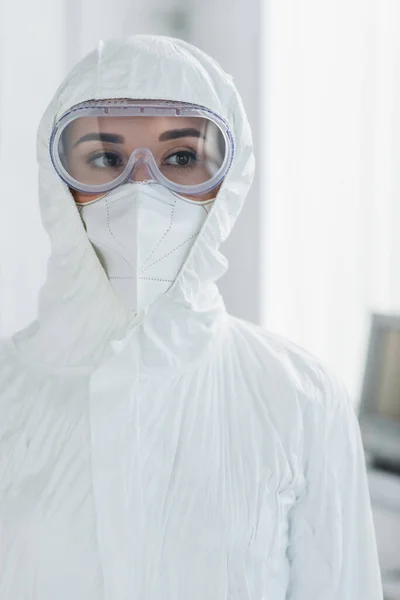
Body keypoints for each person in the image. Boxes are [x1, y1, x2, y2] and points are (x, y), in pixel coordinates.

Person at [0, 34, 383, 600]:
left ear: (226, 184)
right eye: (106, 158)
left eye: (180, 158)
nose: (140, 191)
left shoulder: (299, 397)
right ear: (58, 180)